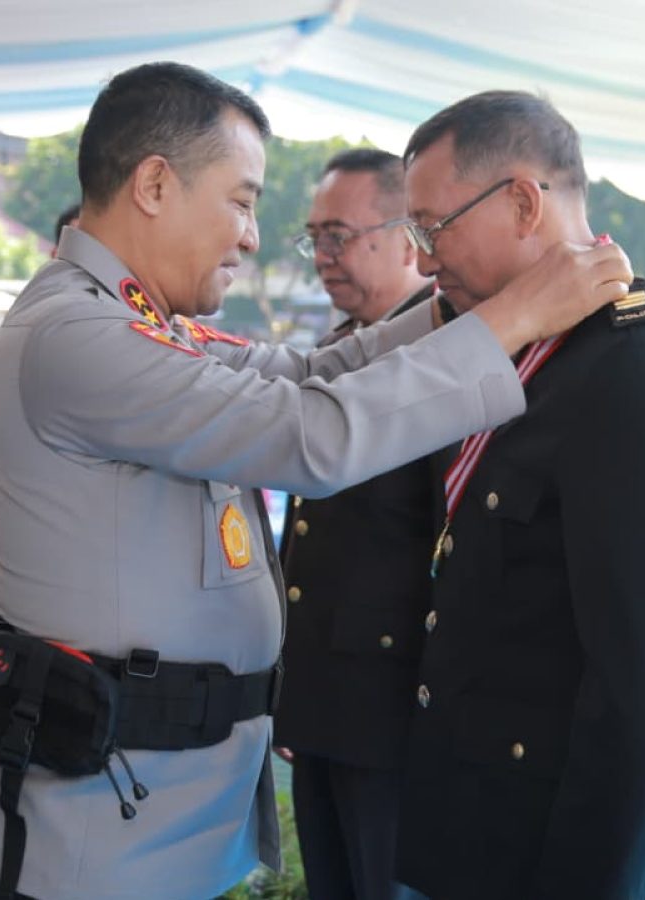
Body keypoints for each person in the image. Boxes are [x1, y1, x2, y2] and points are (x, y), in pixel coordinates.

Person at [0, 61, 632, 900]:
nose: (251, 237)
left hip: (145, 810)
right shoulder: (76, 335)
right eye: (241, 200)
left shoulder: (135, 320)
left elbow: (311, 371)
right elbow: (309, 434)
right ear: (155, 184)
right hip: (92, 838)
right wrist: (515, 317)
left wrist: (460, 303)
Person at [389, 91, 645, 900]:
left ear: (522, 202)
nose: (423, 260)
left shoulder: (637, 371)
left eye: (433, 229)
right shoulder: (515, 345)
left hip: (544, 853)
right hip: (470, 831)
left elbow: (643, 690)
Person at [276, 147, 440, 900]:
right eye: (313, 236)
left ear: (409, 237)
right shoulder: (337, 350)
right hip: (322, 702)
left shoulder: (444, 360)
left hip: (393, 713)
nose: (321, 256)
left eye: (339, 235)